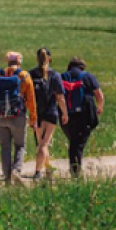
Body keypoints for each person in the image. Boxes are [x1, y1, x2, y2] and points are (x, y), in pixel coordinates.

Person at [0, 51, 37, 184]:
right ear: (19, 62)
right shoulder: (24, 76)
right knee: (20, 145)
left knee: (5, 147)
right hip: (18, 116)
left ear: (8, 62)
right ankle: (16, 171)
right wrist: (33, 118)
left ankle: (7, 177)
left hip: (0, 117)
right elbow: (31, 99)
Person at [60, 57, 106, 177]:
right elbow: (99, 95)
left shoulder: (62, 77)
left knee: (74, 143)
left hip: (67, 115)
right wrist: (99, 107)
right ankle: (75, 173)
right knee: (77, 144)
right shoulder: (88, 77)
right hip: (84, 116)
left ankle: (75, 169)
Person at [28, 47, 69, 180]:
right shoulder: (54, 75)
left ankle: (48, 169)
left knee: (41, 143)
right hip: (51, 112)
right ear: (49, 59)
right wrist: (65, 113)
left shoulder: (31, 74)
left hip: (37, 113)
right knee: (43, 144)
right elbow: (60, 97)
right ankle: (38, 171)